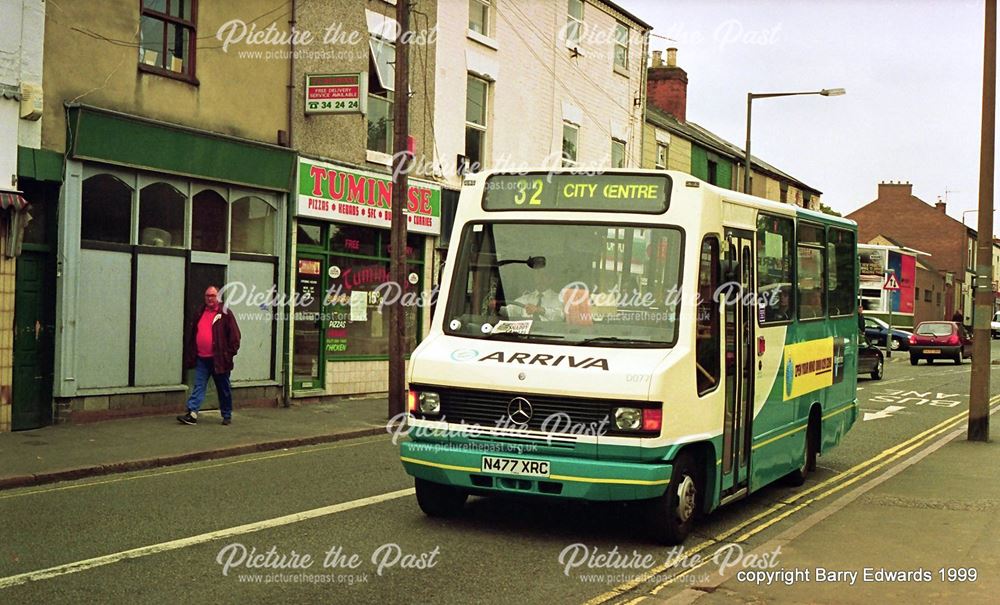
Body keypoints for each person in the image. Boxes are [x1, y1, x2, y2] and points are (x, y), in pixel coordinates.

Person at [178, 286, 241, 426]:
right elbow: (194, 333)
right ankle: (192, 413)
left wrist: (228, 354)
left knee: (223, 388)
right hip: (202, 358)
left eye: (212, 296)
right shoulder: (200, 313)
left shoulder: (225, 314)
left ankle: (226, 414)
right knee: (198, 386)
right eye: (207, 296)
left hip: (219, 359)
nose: (209, 298)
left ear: (218, 297)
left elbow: (235, 337)